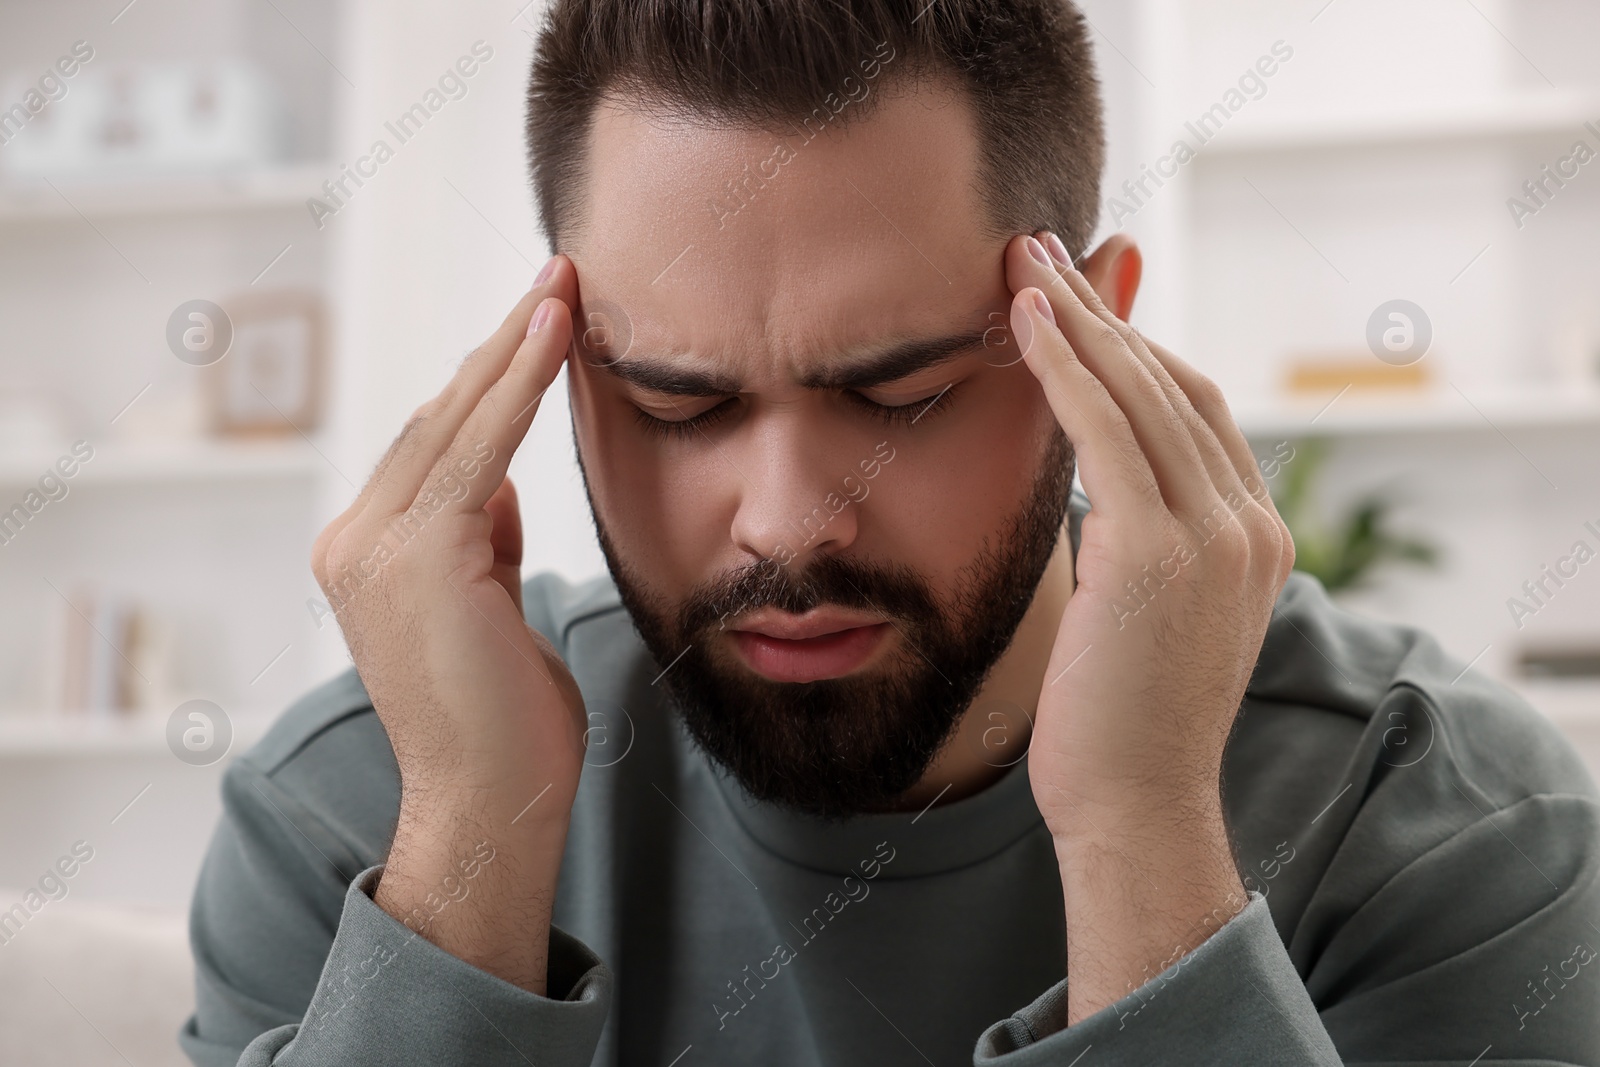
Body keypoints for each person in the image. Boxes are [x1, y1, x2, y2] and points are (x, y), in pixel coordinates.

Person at [179, 1, 1600, 1064]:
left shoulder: (1443, 834)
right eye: (677, 402)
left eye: (901, 394)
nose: (788, 523)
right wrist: (468, 857)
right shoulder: (357, 815)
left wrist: (1143, 836)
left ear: (1092, 335)